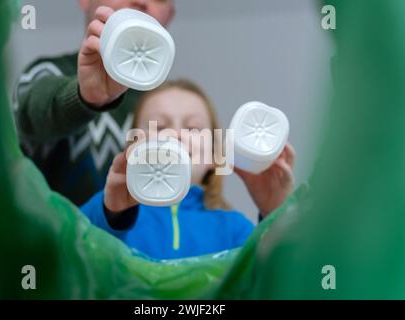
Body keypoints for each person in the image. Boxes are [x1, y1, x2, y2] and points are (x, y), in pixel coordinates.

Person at [81, 79, 296, 260]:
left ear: (214, 155)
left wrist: (276, 213)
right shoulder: (108, 212)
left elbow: (277, 279)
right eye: (160, 127)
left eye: (192, 128)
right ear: (133, 147)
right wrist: (113, 213)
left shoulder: (233, 229)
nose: (176, 134)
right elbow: (72, 249)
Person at [13, 1, 176, 205]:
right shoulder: (47, 72)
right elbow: (32, 113)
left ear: (168, 15)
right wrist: (85, 96)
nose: (141, 1)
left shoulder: (176, 107)